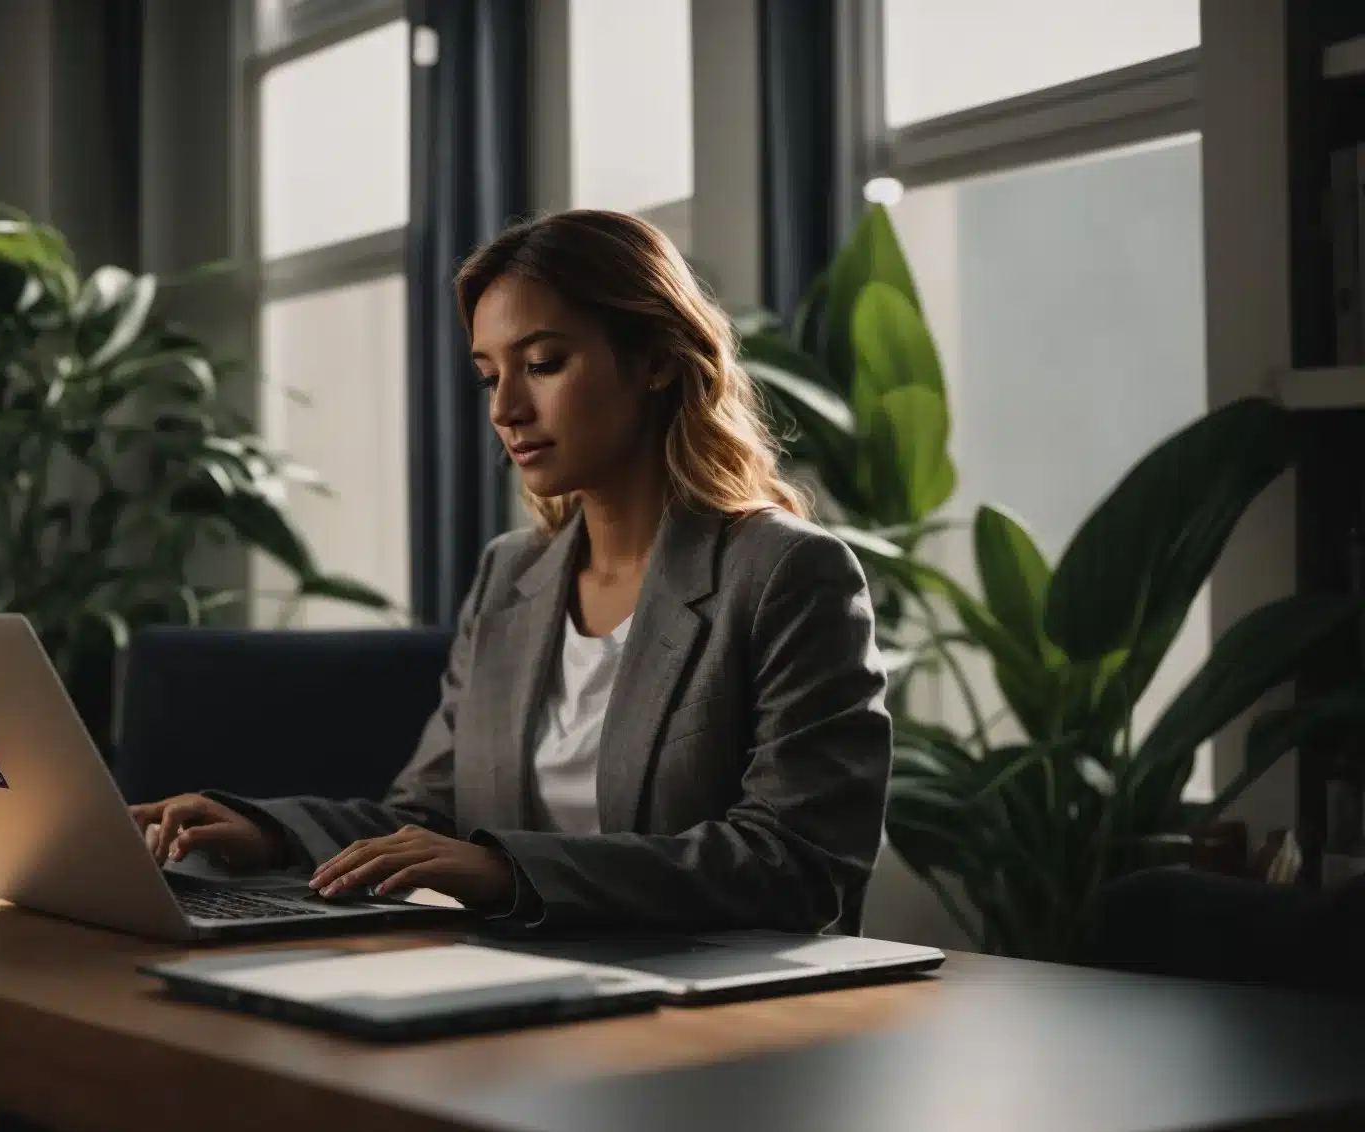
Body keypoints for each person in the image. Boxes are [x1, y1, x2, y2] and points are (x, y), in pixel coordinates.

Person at [128, 209, 891, 932]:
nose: (507, 408)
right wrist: (266, 832)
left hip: (712, 1011)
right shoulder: (510, 575)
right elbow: (430, 821)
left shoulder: (788, 572)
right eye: (492, 375)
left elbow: (798, 865)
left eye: (545, 363)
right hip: (514, 984)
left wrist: (507, 872)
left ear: (657, 360)